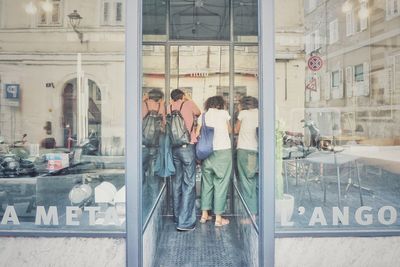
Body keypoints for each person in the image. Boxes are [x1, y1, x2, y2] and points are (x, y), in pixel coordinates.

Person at [169, 89, 201, 231]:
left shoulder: (169, 107)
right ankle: (185, 222)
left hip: (174, 149)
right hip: (187, 148)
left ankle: (177, 217)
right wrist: (188, 98)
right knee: (188, 183)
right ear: (182, 96)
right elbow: (199, 112)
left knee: (176, 182)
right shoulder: (188, 104)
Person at [199, 96, 232, 227]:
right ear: (221, 104)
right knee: (221, 184)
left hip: (207, 152)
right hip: (223, 152)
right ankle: (218, 218)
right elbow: (229, 130)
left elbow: (198, 132)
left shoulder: (203, 115)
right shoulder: (224, 114)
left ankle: (204, 215)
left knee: (206, 184)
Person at [234, 96, 259, 221]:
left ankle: (251, 215)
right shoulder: (260, 113)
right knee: (252, 179)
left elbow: (235, 129)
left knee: (246, 181)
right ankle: (255, 211)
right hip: (254, 151)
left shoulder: (243, 113)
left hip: (244, 150)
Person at [142, 88, 165, 182]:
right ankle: (154, 194)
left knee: (140, 170)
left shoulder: (143, 105)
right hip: (155, 144)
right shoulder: (161, 106)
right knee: (153, 172)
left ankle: (141, 192)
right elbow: (164, 126)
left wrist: (144, 99)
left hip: (143, 144)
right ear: (159, 98)